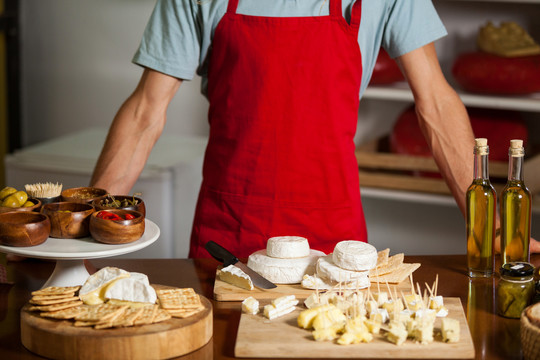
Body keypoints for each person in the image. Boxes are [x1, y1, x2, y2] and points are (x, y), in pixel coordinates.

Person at [89, 0, 539, 258]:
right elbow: (146, 110)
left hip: (335, 238)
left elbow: (437, 105)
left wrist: (489, 229)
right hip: (228, 235)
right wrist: (86, 222)